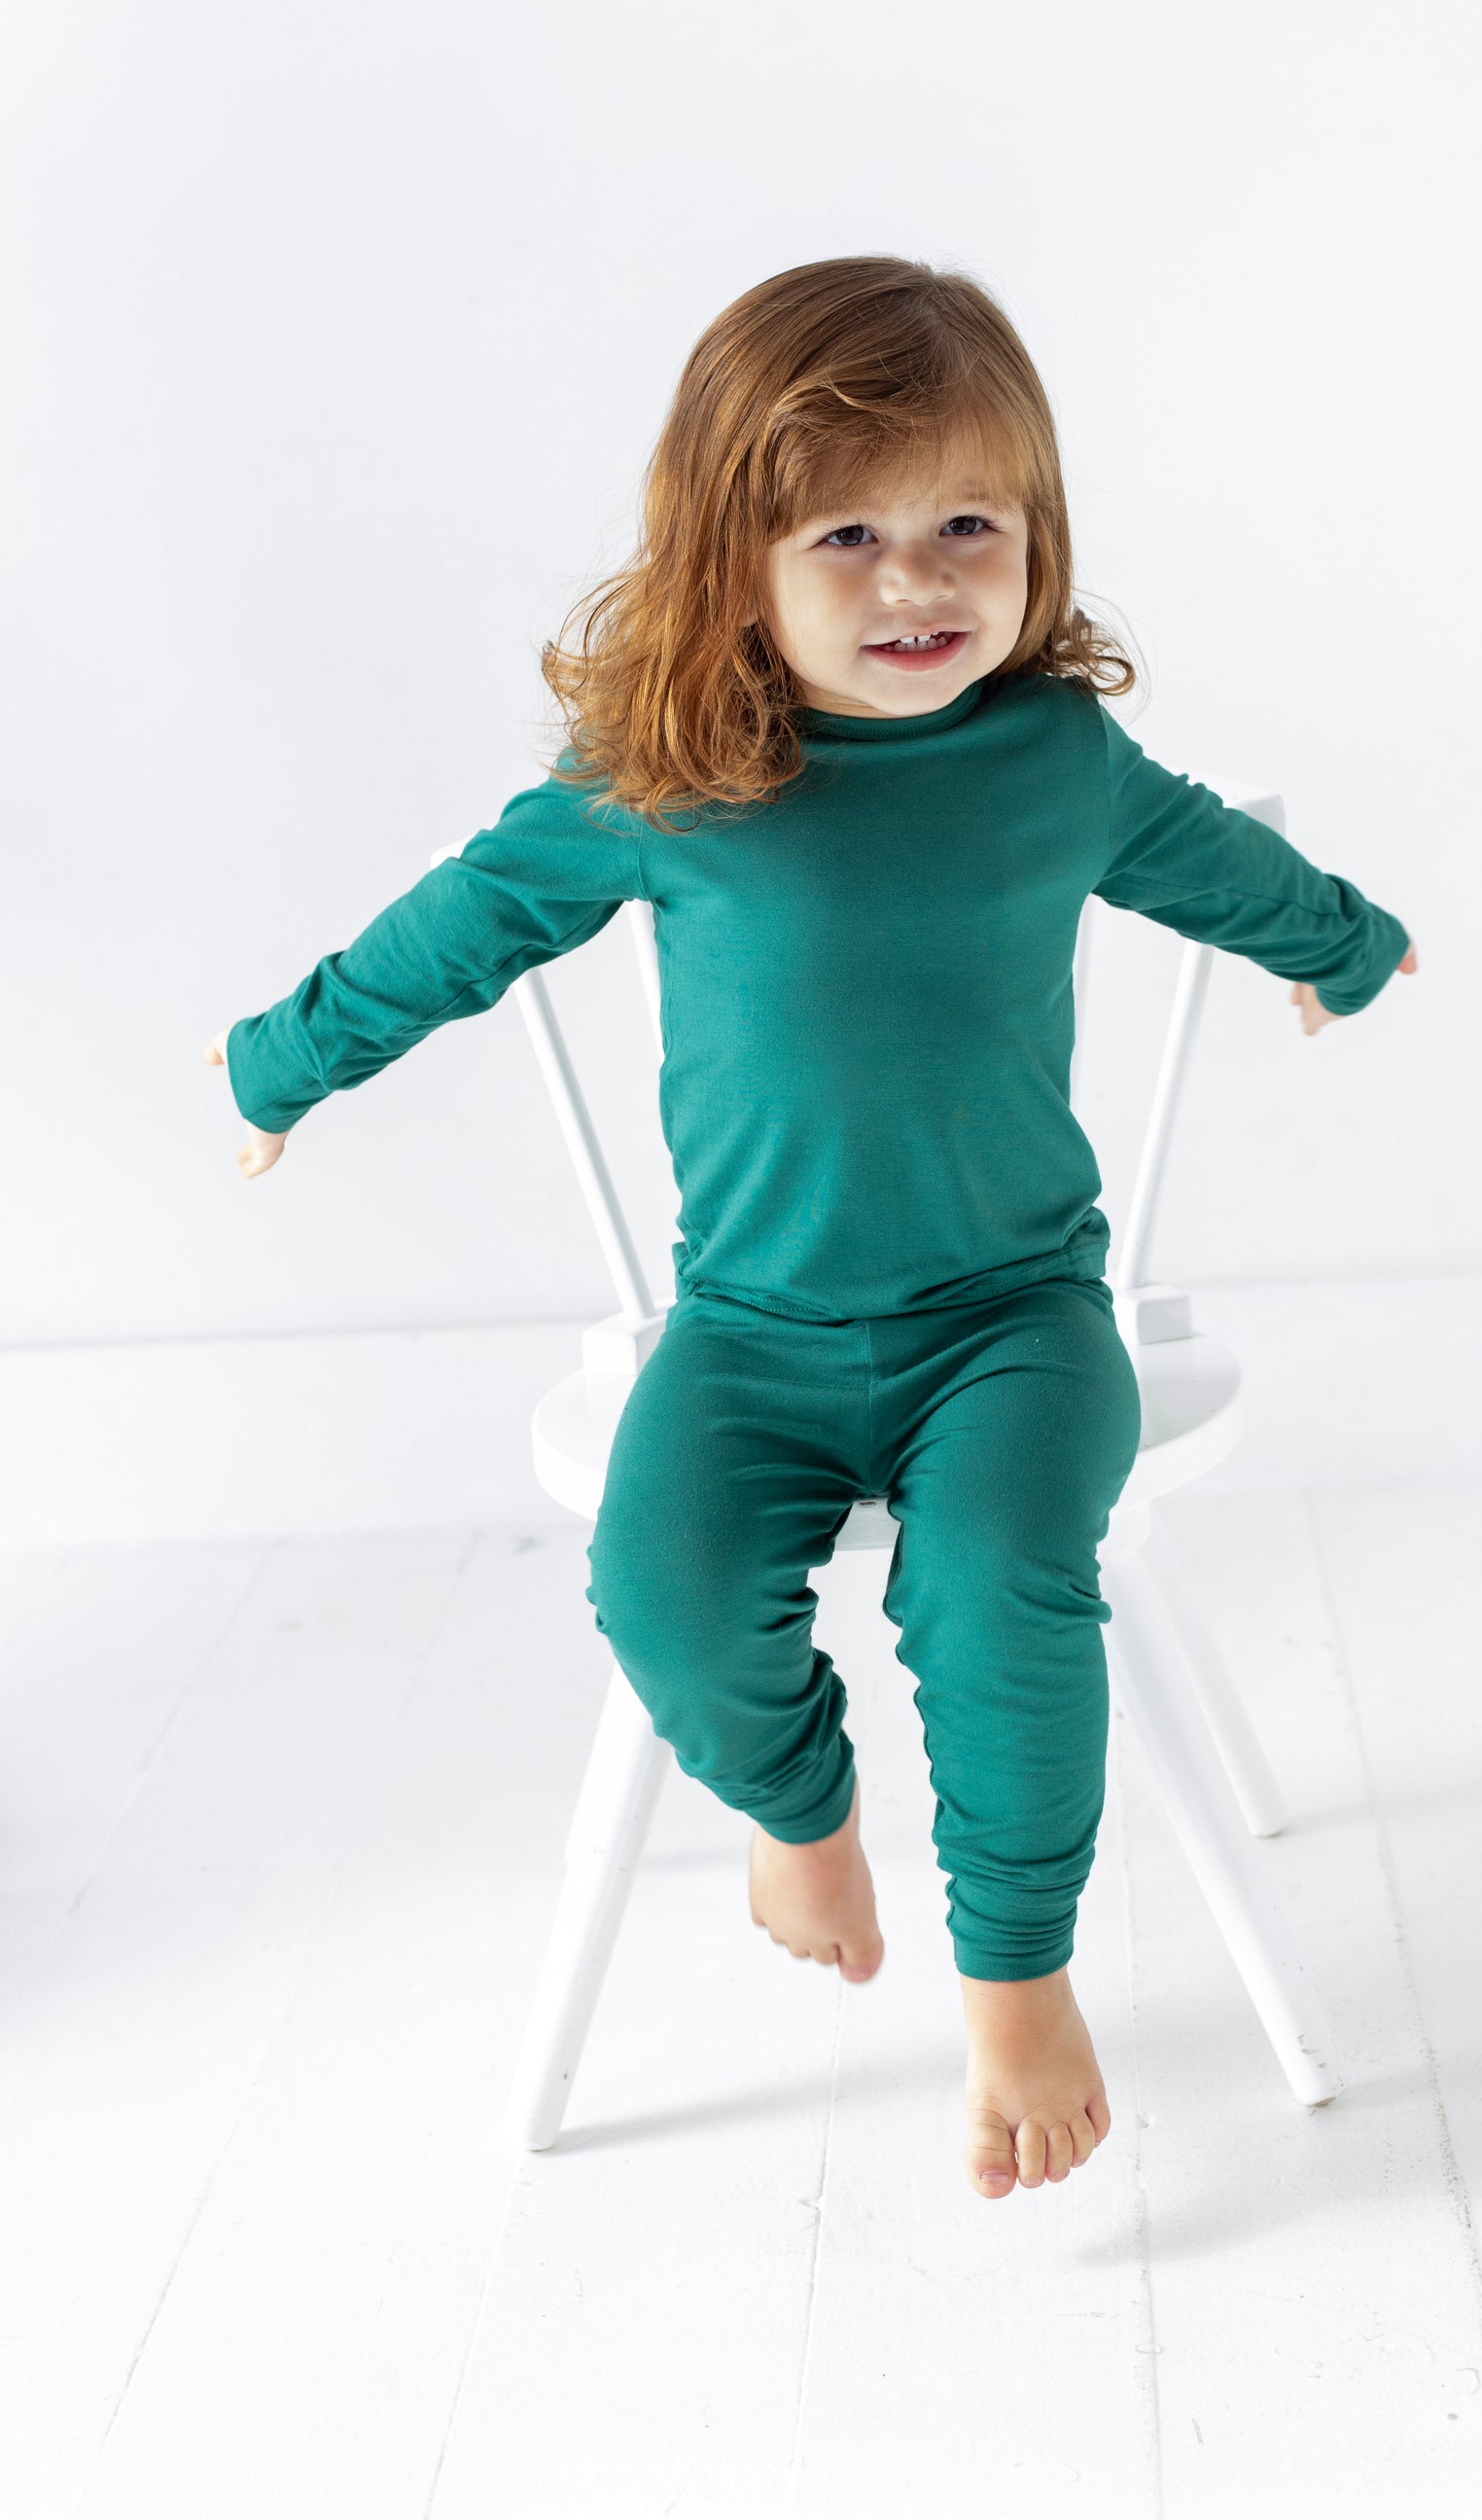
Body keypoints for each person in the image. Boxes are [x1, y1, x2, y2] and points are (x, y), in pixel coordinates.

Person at [207, 255, 1416, 2200]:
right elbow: (454, 932)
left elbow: (1224, 862)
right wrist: (278, 1062)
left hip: (1013, 1320)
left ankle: (1016, 1975)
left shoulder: (1056, 762)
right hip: (752, 1327)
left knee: (1001, 1583)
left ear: (1036, 541)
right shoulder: (666, 779)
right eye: (844, 533)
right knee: (660, 1584)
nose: (915, 578)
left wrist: (1344, 945)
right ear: (733, 559)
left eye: (967, 526)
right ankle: (798, 1799)